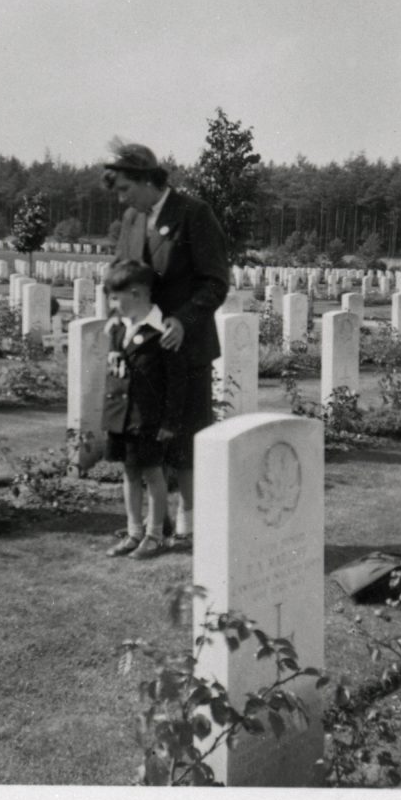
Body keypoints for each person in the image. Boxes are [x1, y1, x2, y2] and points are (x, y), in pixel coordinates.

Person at [103, 142, 230, 551]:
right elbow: (121, 277)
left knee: (186, 439)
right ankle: (144, 527)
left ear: (146, 179)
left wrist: (183, 320)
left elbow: (215, 281)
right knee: (141, 437)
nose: (122, 199)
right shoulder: (131, 219)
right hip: (140, 352)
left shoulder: (193, 214)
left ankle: (189, 523)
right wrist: (116, 327)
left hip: (183, 346)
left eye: (126, 189)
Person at [102, 260, 188, 560]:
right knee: (129, 473)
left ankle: (155, 535)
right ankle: (133, 531)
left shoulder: (162, 332)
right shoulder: (118, 328)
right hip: (121, 416)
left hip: (149, 418)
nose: (111, 304)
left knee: (153, 474)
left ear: (137, 294)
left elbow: (176, 384)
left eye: (116, 298)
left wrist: (170, 421)